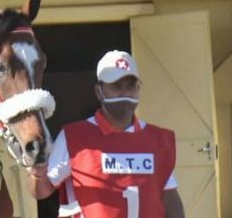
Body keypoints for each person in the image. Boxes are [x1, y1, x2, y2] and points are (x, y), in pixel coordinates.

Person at [27, 50, 185, 218]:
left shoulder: (157, 140)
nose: (124, 92)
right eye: (116, 86)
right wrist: (37, 170)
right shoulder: (74, 137)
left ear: (139, 89)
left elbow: (171, 202)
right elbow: (41, 191)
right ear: (99, 91)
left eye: (130, 86)